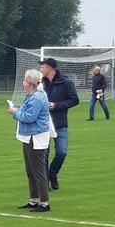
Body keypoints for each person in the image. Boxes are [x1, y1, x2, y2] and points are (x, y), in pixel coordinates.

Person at [8, 69, 52, 212]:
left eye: (25, 80)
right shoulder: (30, 96)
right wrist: (17, 111)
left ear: (30, 83)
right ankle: (33, 200)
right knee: (30, 170)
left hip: (37, 137)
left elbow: (29, 117)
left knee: (38, 170)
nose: (23, 83)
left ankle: (44, 203)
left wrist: (15, 112)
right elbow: (25, 112)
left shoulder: (38, 97)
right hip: (28, 136)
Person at [40, 57, 79, 191]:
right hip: (43, 124)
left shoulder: (66, 83)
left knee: (61, 152)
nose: (41, 69)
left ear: (50, 68)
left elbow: (74, 100)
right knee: (44, 154)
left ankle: (52, 174)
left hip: (59, 123)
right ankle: (45, 182)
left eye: (43, 67)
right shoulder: (41, 83)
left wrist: (56, 105)